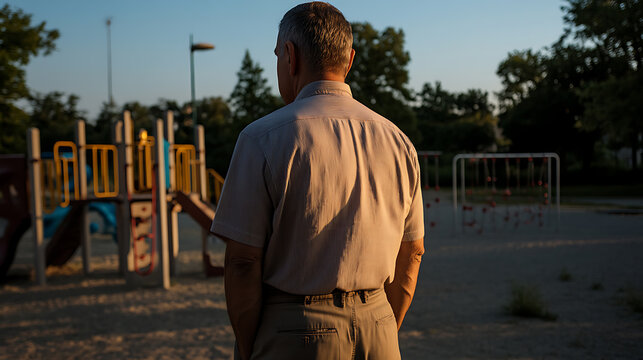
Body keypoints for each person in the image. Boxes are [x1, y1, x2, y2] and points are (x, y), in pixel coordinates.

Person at [210, 2, 425, 359]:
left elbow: (242, 262)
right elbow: (413, 251)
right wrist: (382, 325)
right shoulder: (398, 141)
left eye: (278, 55)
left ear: (290, 57)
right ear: (350, 59)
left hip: (296, 328)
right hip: (379, 323)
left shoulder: (263, 138)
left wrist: (251, 348)